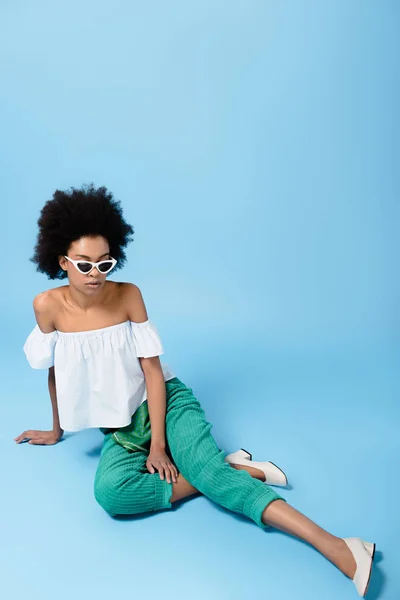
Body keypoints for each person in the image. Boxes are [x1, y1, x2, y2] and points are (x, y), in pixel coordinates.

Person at [15, 184, 374, 597]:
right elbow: (55, 371)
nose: (96, 274)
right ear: (62, 261)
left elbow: (152, 371)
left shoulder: (128, 295)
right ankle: (230, 469)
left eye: (105, 263)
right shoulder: (47, 305)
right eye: (84, 265)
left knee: (209, 475)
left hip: (165, 406)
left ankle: (338, 547)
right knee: (111, 495)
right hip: (118, 430)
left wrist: (159, 446)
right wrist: (57, 430)